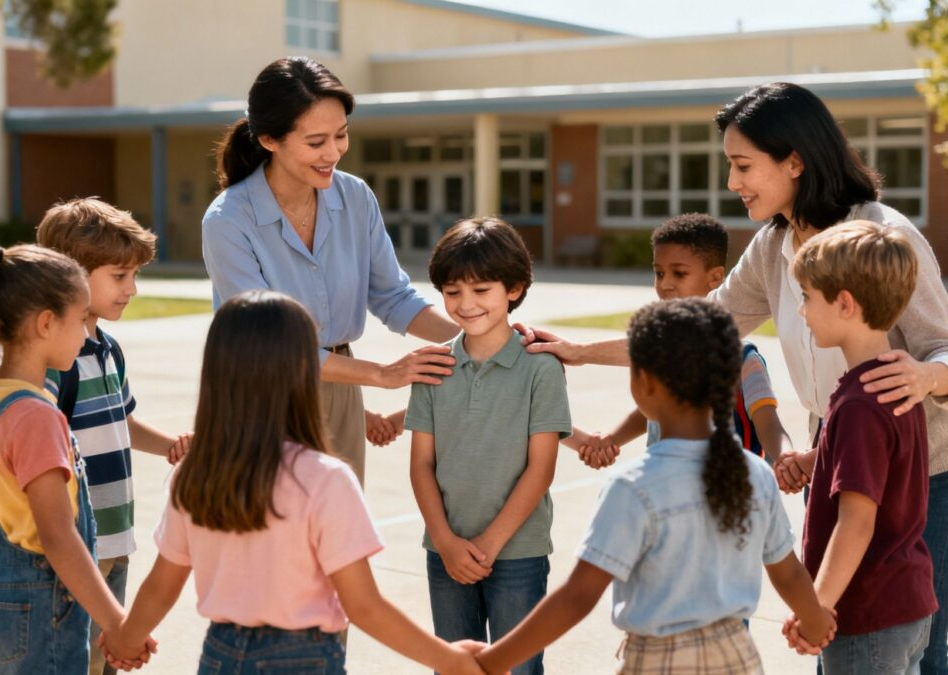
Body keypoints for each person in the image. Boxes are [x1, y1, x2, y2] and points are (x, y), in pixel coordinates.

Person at [522, 82, 948, 674]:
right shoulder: (773, 248)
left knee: (918, 649)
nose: (733, 184)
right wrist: (578, 351)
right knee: (839, 638)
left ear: (795, 161)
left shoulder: (880, 237)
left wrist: (927, 375)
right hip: (836, 463)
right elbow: (696, 326)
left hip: (931, 474)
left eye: (743, 166)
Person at [98, 290, 484, 674]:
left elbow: (162, 584)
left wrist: (125, 639)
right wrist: (450, 660)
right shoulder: (326, 479)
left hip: (222, 654)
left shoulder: (195, 473)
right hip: (306, 658)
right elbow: (364, 606)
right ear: (304, 373)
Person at [475, 299, 834, 674]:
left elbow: (578, 596)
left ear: (642, 382)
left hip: (658, 661)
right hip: (737, 657)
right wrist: (816, 622)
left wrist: (491, 660)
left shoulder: (633, 487)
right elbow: (788, 571)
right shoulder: (754, 473)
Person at [202, 57, 459, 484]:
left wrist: (482, 340)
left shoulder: (355, 196)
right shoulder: (227, 221)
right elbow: (268, 345)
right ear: (269, 139)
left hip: (341, 387)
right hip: (263, 397)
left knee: (340, 538)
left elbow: (393, 297)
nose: (333, 153)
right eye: (316, 141)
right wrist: (382, 374)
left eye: (341, 136)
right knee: (276, 540)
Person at [0, 243, 153, 673]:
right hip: (42, 607)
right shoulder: (38, 416)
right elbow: (58, 537)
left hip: (0, 597)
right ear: (45, 324)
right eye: (79, 320)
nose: (84, 333)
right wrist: (116, 623)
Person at [406, 218, 572, 674]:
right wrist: (445, 541)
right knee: (454, 667)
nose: (465, 304)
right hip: (446, 553)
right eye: (453, 291)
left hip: (518, 553)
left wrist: (488, 545)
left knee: (518, 668)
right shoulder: (434, 365)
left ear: (515, 288)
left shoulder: (542, 368)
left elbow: (541, 469)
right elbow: (421, 465)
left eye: (481, 290)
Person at [36, 197, 191, 675]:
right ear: (72, 275)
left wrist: (170, 446)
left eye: (134, 276)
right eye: (119, 276)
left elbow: (120, 420)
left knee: (103, 663)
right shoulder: (54, 359)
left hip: (116, 539)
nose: (132, 289)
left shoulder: (107, 347)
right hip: (75, 552)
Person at [788, 220, 937, 672]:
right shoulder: (895, 384)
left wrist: (817, 607)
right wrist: (818, 458)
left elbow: (857, 523)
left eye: (808, 298)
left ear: (845, 303)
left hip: (867, 618)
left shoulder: (859, 403)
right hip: (906, 606)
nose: (801, 312)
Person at [563, 213, 793, 469]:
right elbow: (658, 410)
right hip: (665, 482)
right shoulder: (666, 352)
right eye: (659, 273)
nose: (666, 285)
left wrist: (785, 459)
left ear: (716, 277)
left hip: (725, 493)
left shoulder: (743, 359)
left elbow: (768, 423)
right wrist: (612, 439)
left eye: (679, 274)